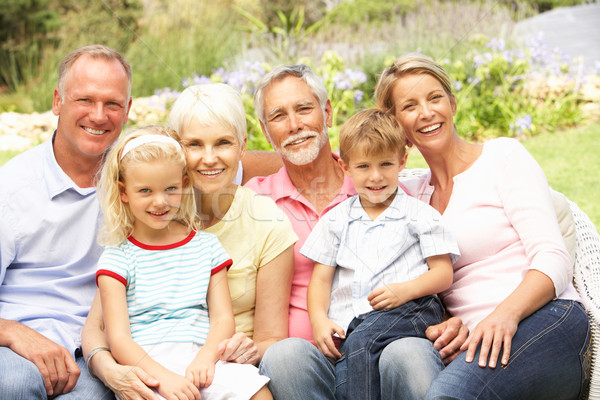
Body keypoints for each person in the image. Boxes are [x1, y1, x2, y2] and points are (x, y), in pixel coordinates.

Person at [374, 53, 590, 399]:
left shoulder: (502, 157)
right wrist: (449, 322)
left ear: (452, 104)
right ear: (396, 125)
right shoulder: (410, 198)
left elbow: (553, 257)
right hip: (478, 340)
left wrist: (505, 314)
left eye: (434, 98)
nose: (427, 112)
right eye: (410, 106)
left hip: (549, 321)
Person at [82, 83, 296, 397]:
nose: (209, 158)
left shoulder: (264, 220)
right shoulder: (149, 219)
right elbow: (99, 327)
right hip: (150, 362)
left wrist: (239, 352)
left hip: (219, 362)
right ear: (176, 150)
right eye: (194, 144)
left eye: (223, 142)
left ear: (242, 146)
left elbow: (271, 337)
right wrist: (111, 370)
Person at [245, 64, 431, 400]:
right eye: (278, 116)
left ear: (327, 112)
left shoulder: (378, 183)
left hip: (388, 340)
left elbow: (430, 261)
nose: (294, 125)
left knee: (410, 355)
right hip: (307, 358)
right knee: (283, 357)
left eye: (304, 108)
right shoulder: (256, 200)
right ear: (265, 130)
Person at [0, 44, 133, 399]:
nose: (99, 115)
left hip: (93, 350)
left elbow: (216, 162)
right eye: (85, 100)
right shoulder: (10, 188)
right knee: (13, 384)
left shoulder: (137, 181)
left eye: (113, 104)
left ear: (128, 109)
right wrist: (13, 333)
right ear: (58, 101)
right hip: (15, 343)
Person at [301, 109, 459, 400]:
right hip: (359, 327)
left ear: (402, 161)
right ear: (346, 167)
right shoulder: (335, 221)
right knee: (359, 338)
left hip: (414, 310)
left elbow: (443, 273)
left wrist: (404, 291)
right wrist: (319, 321)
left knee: (361, 338)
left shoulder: (420, 215)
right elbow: (320, 281)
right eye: (364, 166)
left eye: (386, 164)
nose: (376, 176)